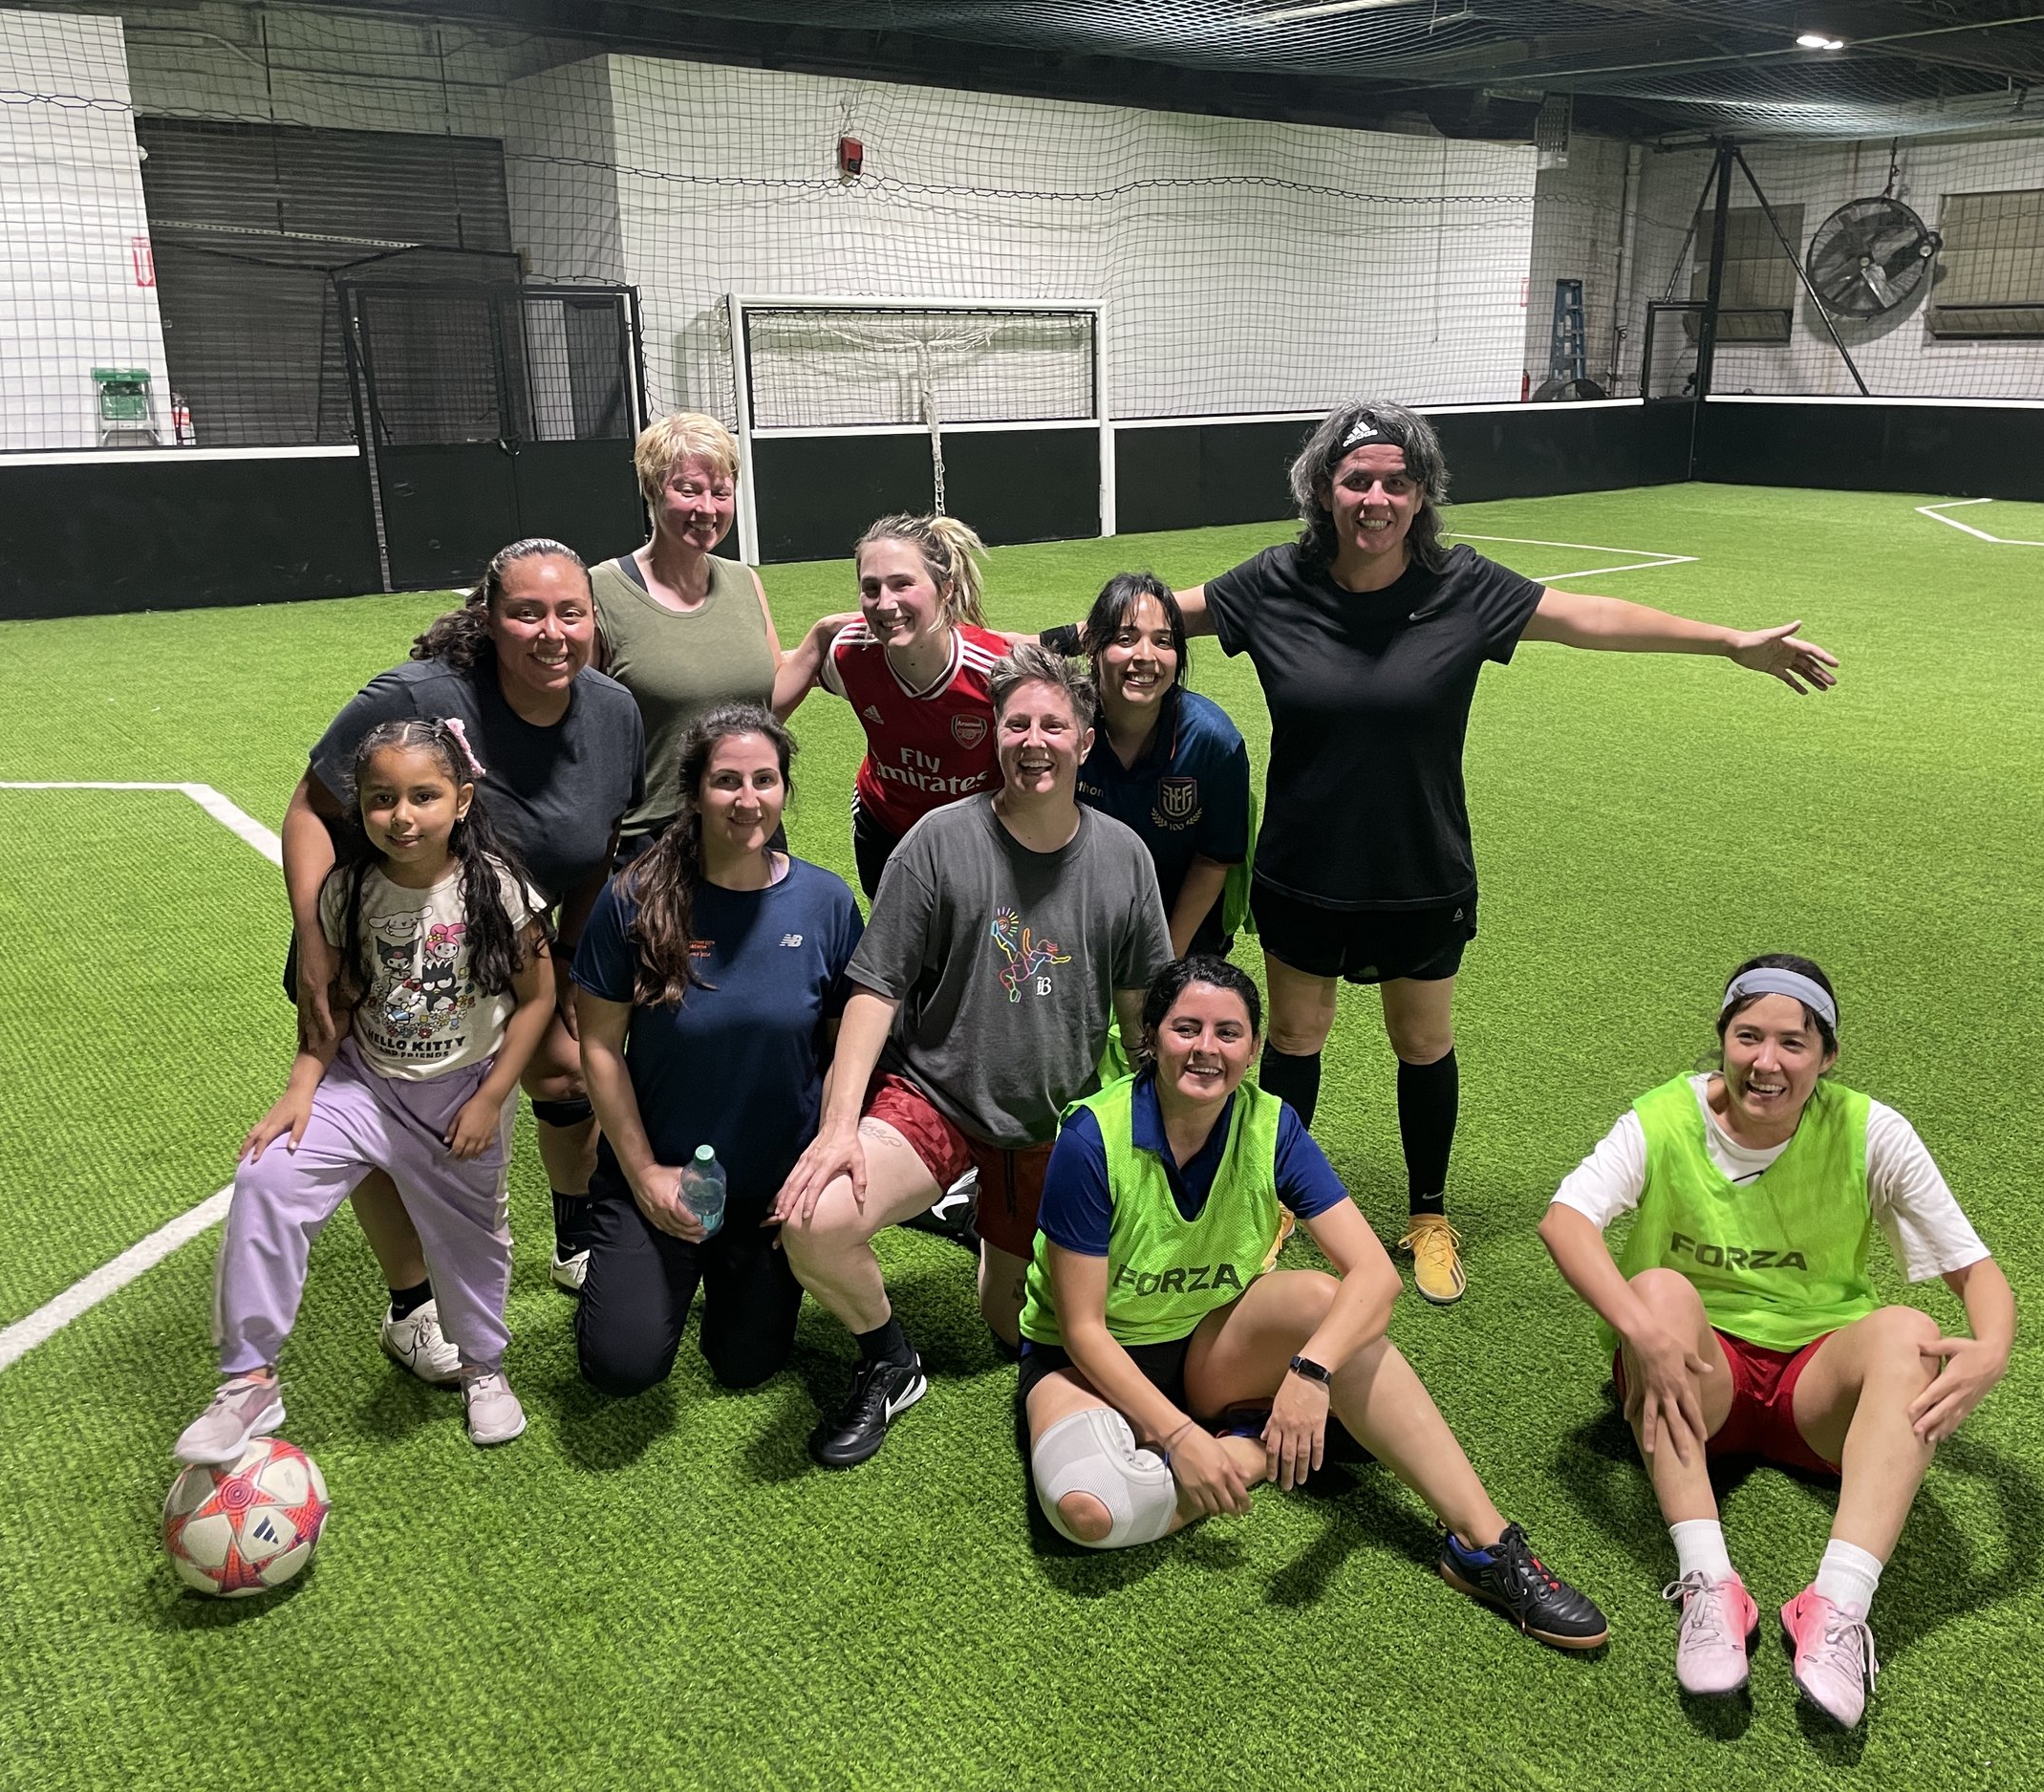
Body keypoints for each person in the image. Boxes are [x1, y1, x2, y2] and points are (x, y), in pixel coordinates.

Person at [1160, 400, 1840, 1306]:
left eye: (1397, 482)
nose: (1377, 497)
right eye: (1357, 479)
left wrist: (1726, 643)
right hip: (1303, 867)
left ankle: (1429, 1213)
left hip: (1419, 871)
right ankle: (1282, 1203)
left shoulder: (1462, 587)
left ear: (1422, 493)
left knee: (1422, 1040)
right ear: (1323, 490)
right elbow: (1154, 619)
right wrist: (1023, 648)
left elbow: (1590, 617)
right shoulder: (1275, 582)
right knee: (1295, 1037)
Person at [1016, 955, 1608, 1650]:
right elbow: (1083, 1329)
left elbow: (1374, 1276)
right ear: (1153, 1036)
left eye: (1229, 1033)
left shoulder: (1271, 1126)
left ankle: (1485, 1544)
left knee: (1333, 1306)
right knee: (1087, 1511)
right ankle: (1261, 1449)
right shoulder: (1094, 1136)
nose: (1207, 1048)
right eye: (1187, 1028)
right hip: (1086, 1365)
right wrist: (1180, 1437)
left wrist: (1309, 1373)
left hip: (1209, 1346)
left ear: (1254, 1049)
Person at [1538, 955, 2016, 1725]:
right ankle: (1709, 1584)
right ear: (1722, 1040)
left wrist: (1992, 1347)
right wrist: (1636, 1330)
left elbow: (1976, 1270)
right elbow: (1565, 1219)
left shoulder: (1870, 1130)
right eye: (1748, 1035)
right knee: (1658, 1292)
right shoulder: (1665, 1116)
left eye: (1793, 1043)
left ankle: (1836, 1606)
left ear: (1827, 1057)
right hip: (1702, 1379)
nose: (1767, 1061)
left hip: (1814, 1388)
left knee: (1913, 1334)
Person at [773, 642, 1170, 1469]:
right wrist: (838, 1128)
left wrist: (1161, 1127)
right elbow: (875, 990)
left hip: (1052, 1124)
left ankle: (989, 1221)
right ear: (994, 734)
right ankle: (888, 1355)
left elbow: (1142, 1014)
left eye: (1053, 725)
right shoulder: (935, 840)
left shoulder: (1125, 856)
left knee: (1010, 1329)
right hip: (938, 1100)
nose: (1034, 741)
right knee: (815, 1221)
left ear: (1084, 742)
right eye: (1016, 723)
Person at [286, 539, 643, 1360]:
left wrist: (581, 959)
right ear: (489, 618)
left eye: (570, 612)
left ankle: (575, 1239)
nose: (551, 632)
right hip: (382, 944)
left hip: (504, 936)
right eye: (526, 613)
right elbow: (311, 808)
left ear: (593, 619)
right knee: (380, 1112)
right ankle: (411, 1304)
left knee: (563, 1065)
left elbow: (600, 842)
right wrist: (315, 942)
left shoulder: (613, 712)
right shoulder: (417, 695)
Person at [178, 720, 553, 1464]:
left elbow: (537, 999)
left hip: (460, 1098)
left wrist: (490, 1098)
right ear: (359, 806)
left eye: (423, 795)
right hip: (363, 1085)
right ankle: (248, 1379)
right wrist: (301, 1083)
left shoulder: (498, 888)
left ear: (462, 798)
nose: (402, 815)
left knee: (474, 1243)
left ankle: (484, 1367)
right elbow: (338, 1003)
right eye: (382, 799)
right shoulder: (348, 891)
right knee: (266, 1173)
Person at [571, 705, 863, 1394]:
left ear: (785, 789)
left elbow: (842, 1048)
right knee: (622, 1365)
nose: (747, 798)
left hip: (768, 1189)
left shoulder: (825, 902)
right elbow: (600, 1047)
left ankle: (742, 1275)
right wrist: (643, 1173)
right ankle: (623, 1259)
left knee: (746, 1365)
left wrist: (816, 1162)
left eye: (765, 779)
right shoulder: (636, 898)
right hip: (662, 1176)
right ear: (695, 793)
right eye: (727, 780)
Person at [587, 412, 828, 864]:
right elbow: (579, 728)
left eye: (720, 493)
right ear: (652, 490)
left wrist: (820, 638)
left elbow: (765, 704)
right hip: (650, 841)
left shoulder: (744, 581)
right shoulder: (602, 590)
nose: (707, 509)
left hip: (748, 824)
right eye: (688, 490)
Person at [772, 513, 1012, 900]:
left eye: (903, 584)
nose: (885, 604)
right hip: (882, 826)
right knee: (894, 946)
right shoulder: (851, 655)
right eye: (871, 588)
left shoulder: (997, 674)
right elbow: (770, 708)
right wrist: (819, 634)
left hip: (974, 836)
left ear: (945, 589)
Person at [1073, 572, 1250, 962]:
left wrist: (1166, 960)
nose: (1146, 656)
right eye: (1125, 638)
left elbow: (1214, 858)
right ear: (1093, 649)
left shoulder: (1212, 742)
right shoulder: (1065, 728)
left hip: (1183, 927)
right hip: (1082, 923)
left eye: (1164, 641)